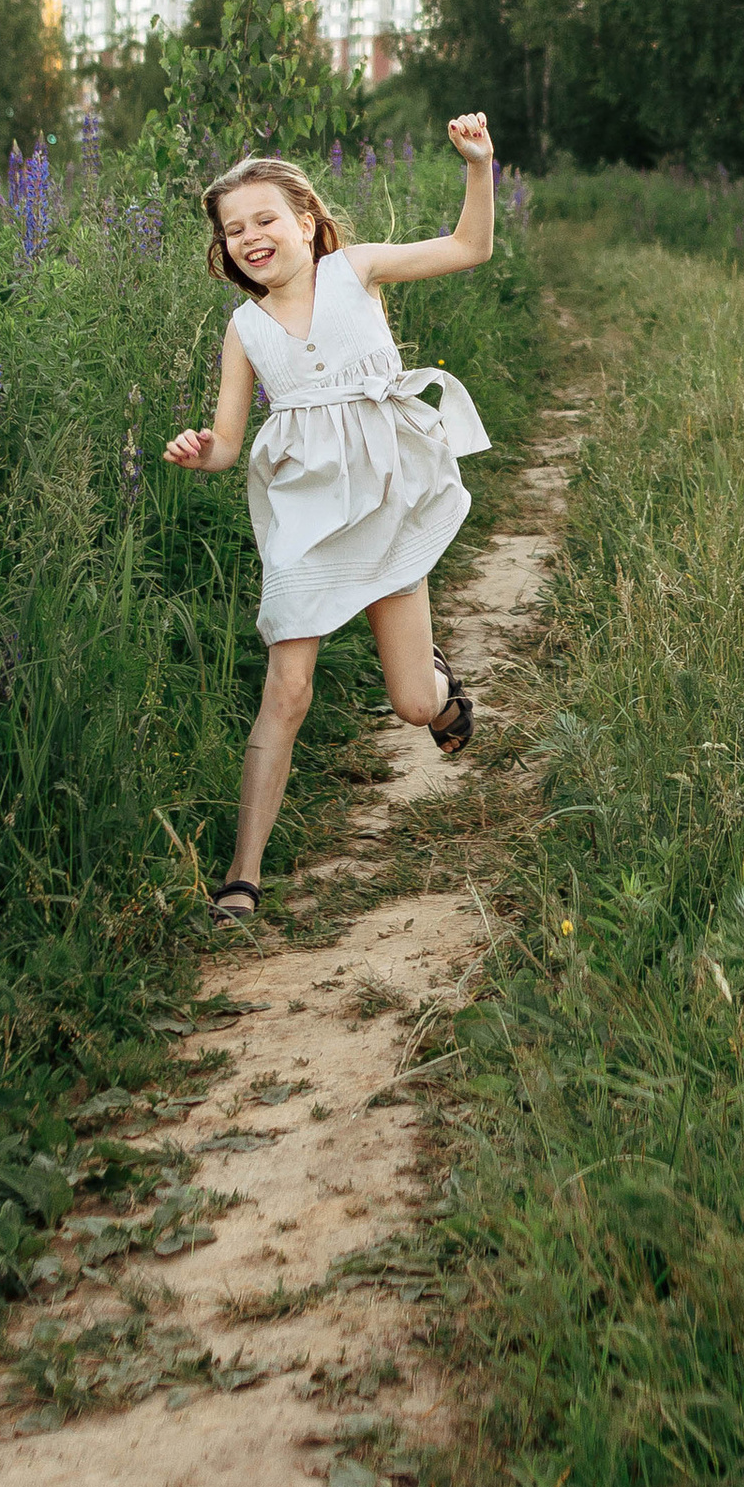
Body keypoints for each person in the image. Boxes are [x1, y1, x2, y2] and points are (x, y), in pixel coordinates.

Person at [163, 116, 498, 927]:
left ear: (306, 220)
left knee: (413, 703)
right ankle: (242, 877)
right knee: (288, 689)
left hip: (385, 497)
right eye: (232, 229)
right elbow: (229, 445)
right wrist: (200, 450)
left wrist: (479, 168)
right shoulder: (243, 332)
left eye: (265, 219)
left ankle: (441, 692)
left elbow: (468, 247)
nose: (250, 237)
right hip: (305, 516)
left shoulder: (357, 270)